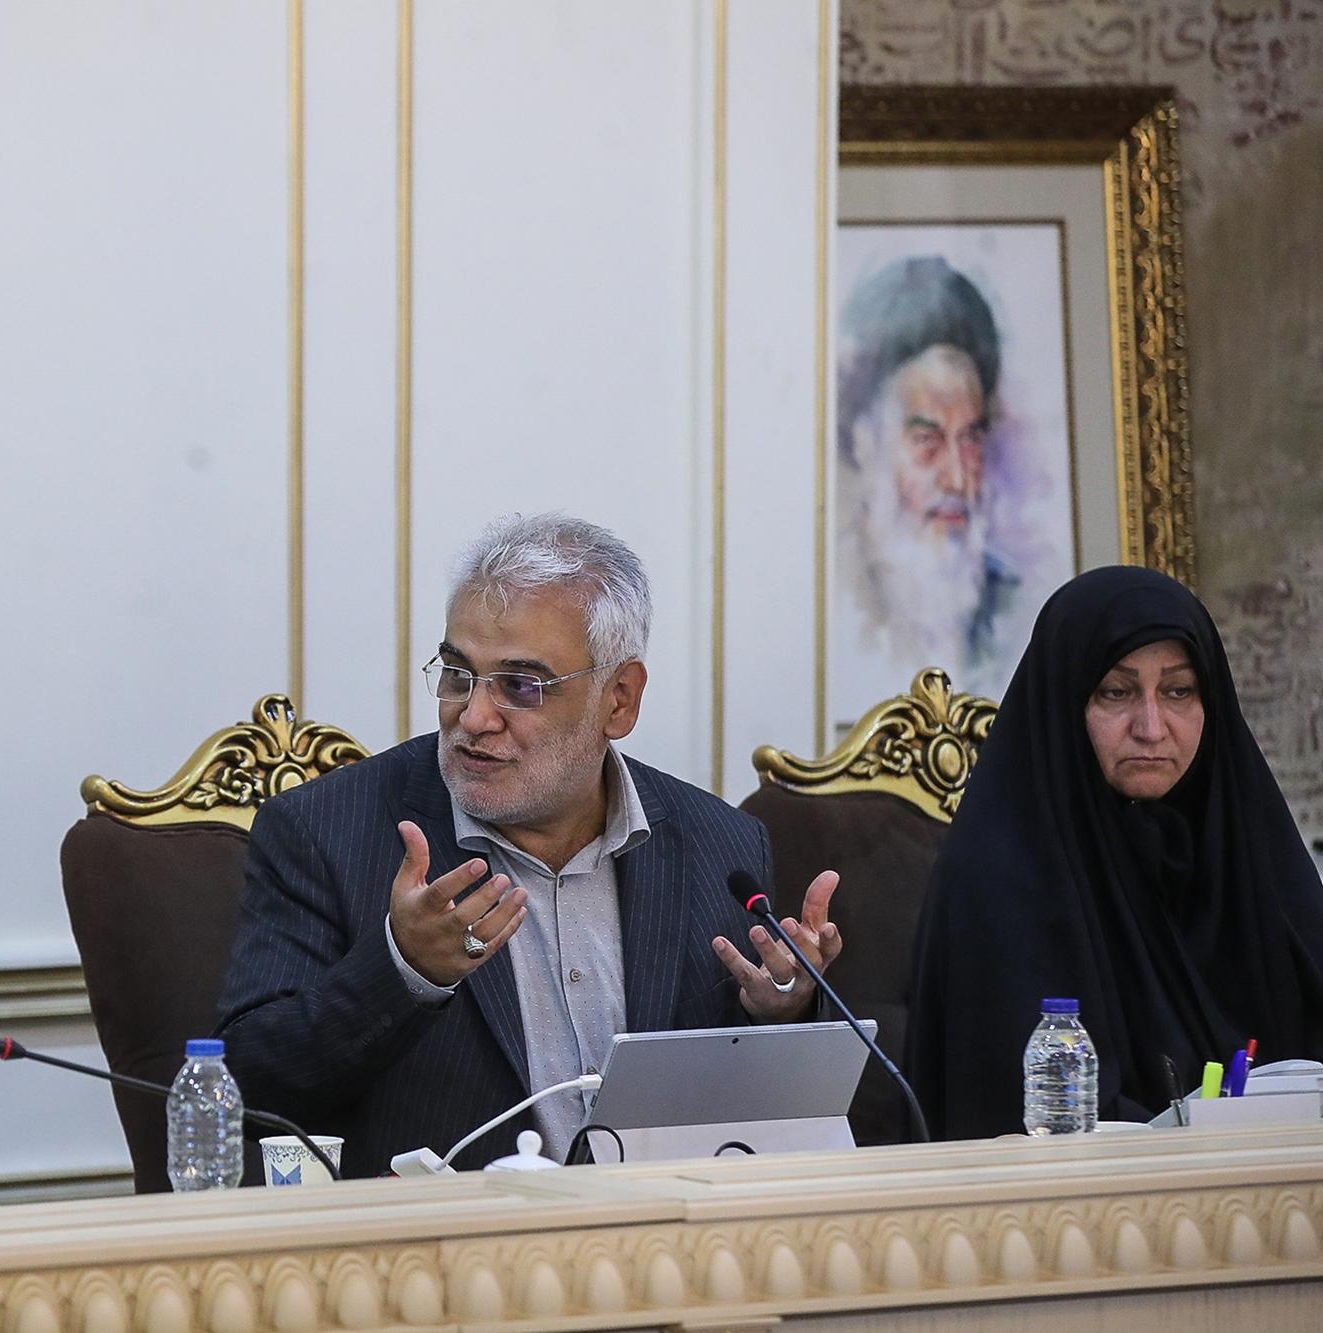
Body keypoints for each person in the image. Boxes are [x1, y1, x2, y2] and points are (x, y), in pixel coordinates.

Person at [216, 514, 843, 1175]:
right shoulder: (325, 832)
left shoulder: (720, 844)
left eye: (520, 685)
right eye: (457, 674)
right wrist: (404, 970)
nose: (474, 716)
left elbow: (757, 1124)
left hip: (662, 1229)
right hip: (450, 1234)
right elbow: (244, 1089)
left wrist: (784, 1013)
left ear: (619, 700)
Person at [906, 566, 1323, 1139]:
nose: (1151, 727)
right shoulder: (998, 878)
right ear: (1065, 703)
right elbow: (1030, 1123)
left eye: (1178, 691)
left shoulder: (1246, 849)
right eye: (1117, 692)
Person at [836, 256, 1019, 693]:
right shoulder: (833, 600)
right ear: (864, 444)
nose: (958, 479)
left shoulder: (1015, 609)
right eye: (926, 441)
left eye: (971, 439)